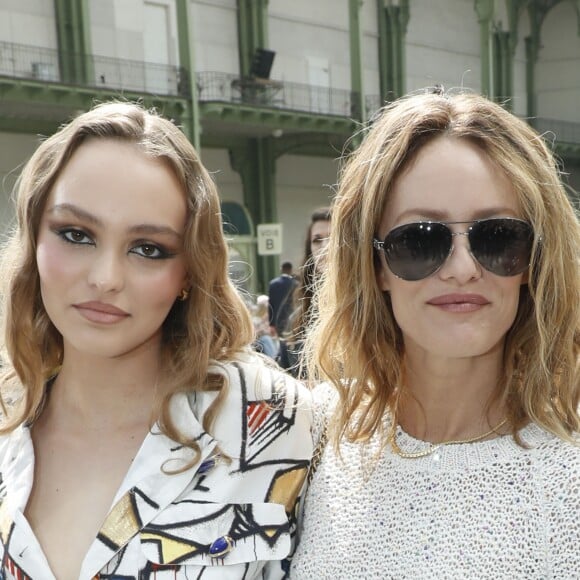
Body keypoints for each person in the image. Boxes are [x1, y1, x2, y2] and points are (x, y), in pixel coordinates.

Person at [0, 102, 312, 580]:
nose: (105, 279)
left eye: (148, 249)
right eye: (76, 234)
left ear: (188, 270)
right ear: (35, 242)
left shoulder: (269, 418)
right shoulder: (6, 424)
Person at [291, 90, 579, 578]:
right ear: (375, 264)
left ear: (534, 261)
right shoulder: (313, 434)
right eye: (420, 241)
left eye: (498, 237)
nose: (462, 269)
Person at [278, 207, 331, 377]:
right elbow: (283, 378)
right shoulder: (297, 321)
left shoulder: (373, 310)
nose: (325, 246)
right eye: (317, 240)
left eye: (333, 238)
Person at [268, 261, 297, 336]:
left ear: (281, 269)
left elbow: (270, 304)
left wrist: (271, 323)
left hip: (277, 320)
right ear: (291, 270)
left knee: (281, 341)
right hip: (292, 318)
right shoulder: (295, 284)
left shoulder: (273, 283)